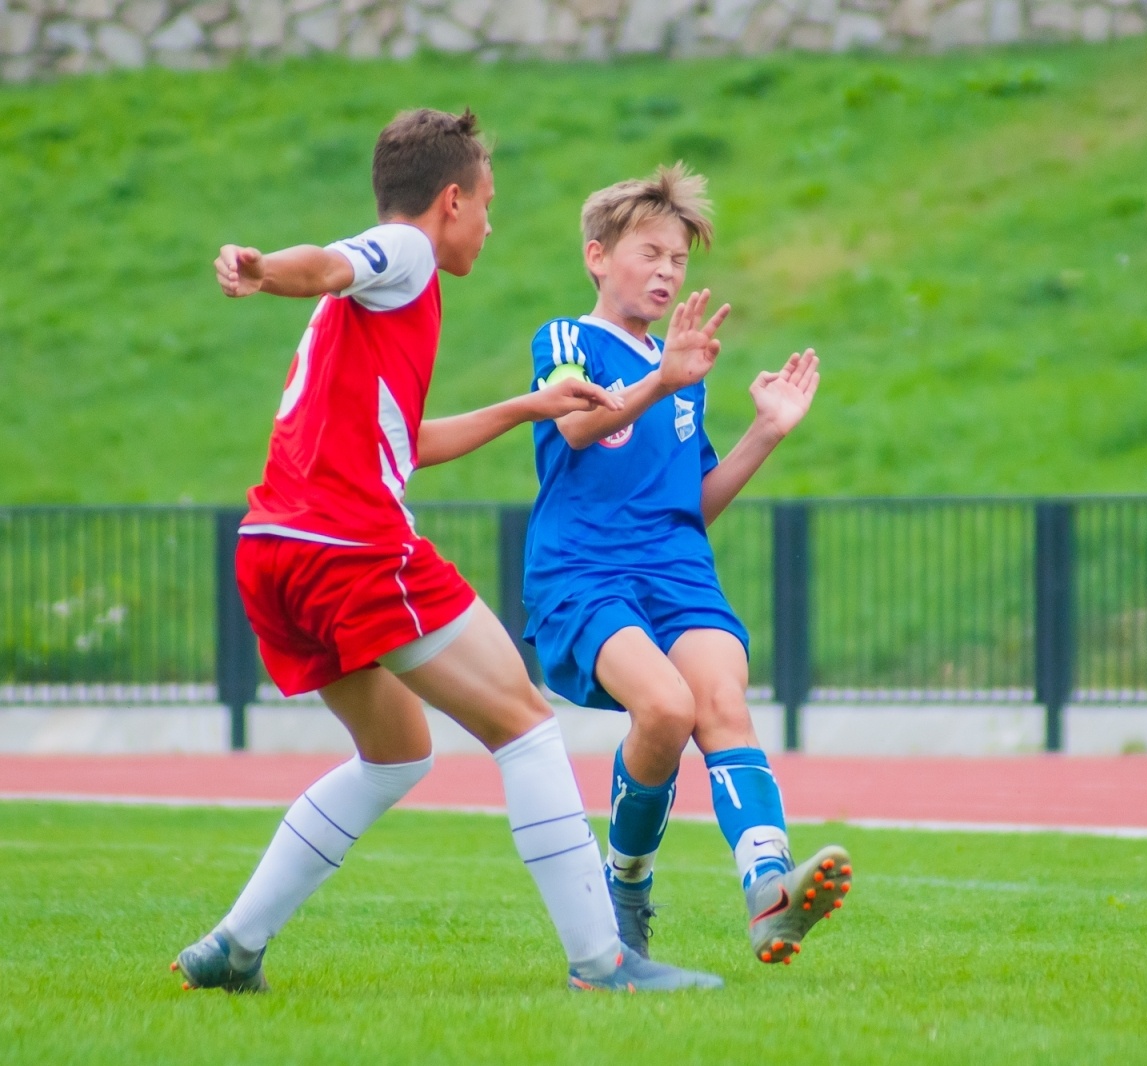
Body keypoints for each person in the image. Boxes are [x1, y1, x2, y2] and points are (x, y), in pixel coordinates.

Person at [172, 109, 720, 994]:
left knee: (396, 753)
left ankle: (235, 945)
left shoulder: (368, 318)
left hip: (272, 549)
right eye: (487, 206)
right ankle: (603, 962)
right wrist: (265, 269)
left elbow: (407, 442)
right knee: (527, 725)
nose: (490, 226)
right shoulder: (409, 256)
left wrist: (522, 408)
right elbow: (336, 259)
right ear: (451, 199)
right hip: (348, 544)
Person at [521, 163, 850, 968]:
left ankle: (769, 895)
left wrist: (766, 431)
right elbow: (571, 426)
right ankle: (625, 888)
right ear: (598, 257)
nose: (668, 272)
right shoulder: (569, 338)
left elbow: (689, 503)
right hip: (585, 571)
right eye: (650, 253)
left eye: (679, 260)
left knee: (720, 701)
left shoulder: (683, 370)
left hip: (676, 571)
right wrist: (660, 377)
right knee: (663, 710)